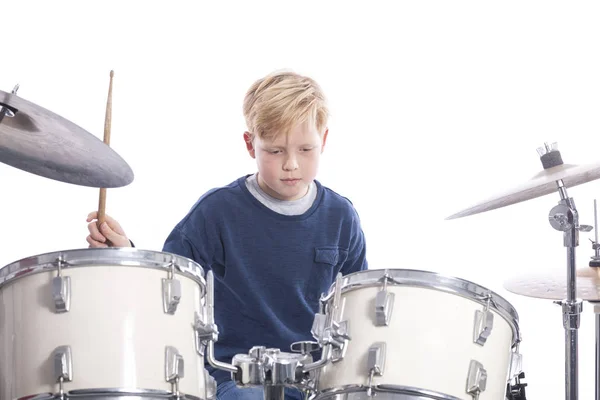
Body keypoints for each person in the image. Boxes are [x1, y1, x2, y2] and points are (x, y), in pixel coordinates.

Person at [86, 70, 368, 400]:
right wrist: (126, 251)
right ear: (251, 145)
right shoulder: (216, 212)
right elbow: (170, 284)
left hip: (311, 378)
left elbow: (357, 310)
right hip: (234, 375)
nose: (291, 164)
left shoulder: (341, 217)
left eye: (306, 149)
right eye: (275, 151)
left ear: (325, 139)